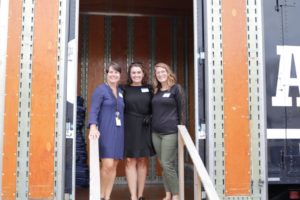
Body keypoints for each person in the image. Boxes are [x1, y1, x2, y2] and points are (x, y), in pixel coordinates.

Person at [88, 62, 124, 200]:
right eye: (111, 72)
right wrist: (93, 126)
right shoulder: (100, 89)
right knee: (107, 164)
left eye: (116, 72)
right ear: (107, 74)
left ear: (120, 75)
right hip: (105, 130)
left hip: (119, 131)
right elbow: (94, 109)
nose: (113, 75)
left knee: (114, 164)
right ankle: (100, 195)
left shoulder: (121, 92)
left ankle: (107, 196)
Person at [151, 62, 186, 200]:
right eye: (158, 72)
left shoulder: (176, 89)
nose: (160, 74)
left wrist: (182, 129)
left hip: (170, 132)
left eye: (162, 71)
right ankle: (167, 194)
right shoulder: (156, 91)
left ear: (168, 72)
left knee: (167, 163)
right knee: (163, 163)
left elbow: (182, 110)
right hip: (156, 133)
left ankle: (176, 194)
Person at [123, 62, 156, 200]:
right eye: (133, 72)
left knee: (142, 160)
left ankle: (141, 194)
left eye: (138, 72)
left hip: (145, 125)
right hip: (129, 125)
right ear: (130, 75)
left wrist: (151, 116)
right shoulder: (123, 89)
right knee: (130, 160)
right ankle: (133, 196)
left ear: (143, 74)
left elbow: (157, 106)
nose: (136, 75)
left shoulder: (150, 89)